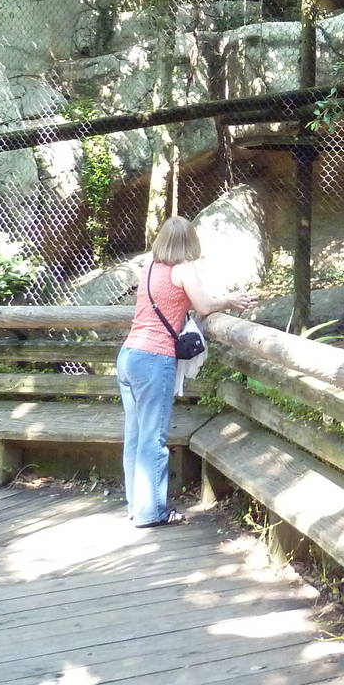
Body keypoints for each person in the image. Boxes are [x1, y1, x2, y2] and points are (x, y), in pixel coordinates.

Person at [117, 215, 254, 527]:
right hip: (154, 358)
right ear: (190, 241)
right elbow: (204, 306)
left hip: (128, 355)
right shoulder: (183, 269)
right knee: (153, 439)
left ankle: (136, 505)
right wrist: (231, 300)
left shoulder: (150, 266)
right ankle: (152, 512)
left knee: (135, 436)